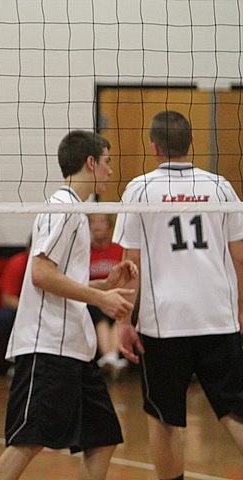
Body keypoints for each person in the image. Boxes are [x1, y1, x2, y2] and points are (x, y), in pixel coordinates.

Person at [0, 130, 137, 480]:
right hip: (48, 347)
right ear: (90, 162)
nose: (110, 171)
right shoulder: (66, 209)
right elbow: (41, 274)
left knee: (102, 437)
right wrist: (101, 298)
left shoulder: (76, 210)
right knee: (28, 440)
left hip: (74, 349)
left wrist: (104, 284)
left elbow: (58, 279)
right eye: (107, 162)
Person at [113, 110, 243, 480]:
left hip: (164, 323)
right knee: (235, 411)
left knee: (164, 418)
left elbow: (129, 264)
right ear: (191, 143)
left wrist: (124, 320)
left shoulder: (139, 189)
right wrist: (241, 310)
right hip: (217, 316)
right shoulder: (220, 187)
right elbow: (240, 257)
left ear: (153, 146)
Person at [87, 213, 127, 379]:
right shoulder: (84, 251)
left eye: (101, 222)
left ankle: (110, 358)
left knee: (118, 309)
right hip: (92, 300)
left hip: (115, 297)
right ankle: (113, 358)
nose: (97, 226)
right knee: (99, 313)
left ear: (109, 227)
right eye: (93, 222)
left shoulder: (119, 250)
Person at [0, 238, 30, 361]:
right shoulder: (18, 262)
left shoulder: (57, 264)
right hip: (24, 310)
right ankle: (15, 359)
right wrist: (30, 311)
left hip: (51, 310)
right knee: (4, 317)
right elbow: (7, 299)